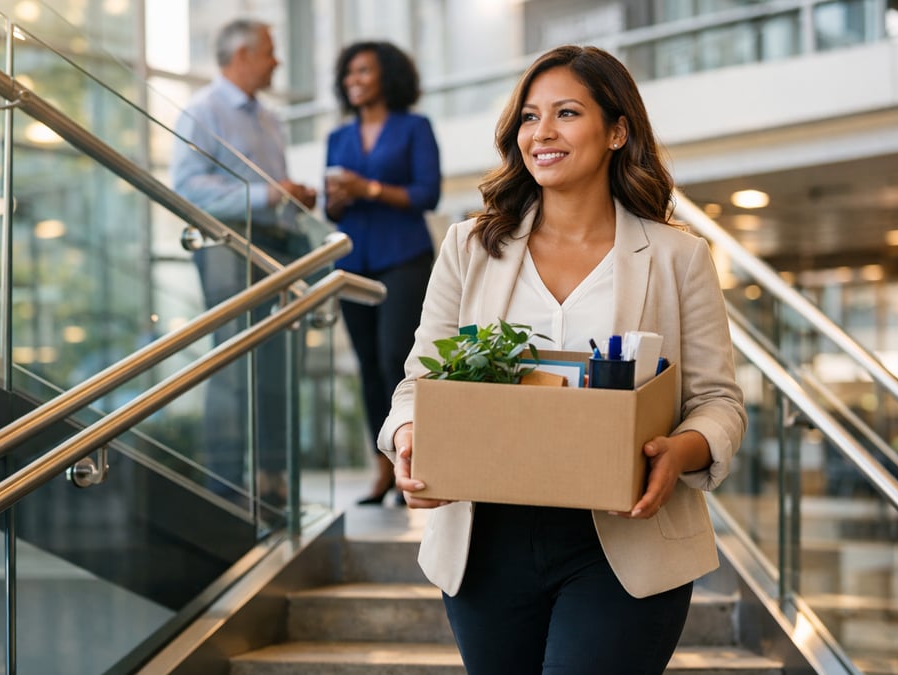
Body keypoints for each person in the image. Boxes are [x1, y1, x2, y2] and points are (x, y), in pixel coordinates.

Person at [377, 45, 747, 673]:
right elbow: (418, 383)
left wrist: (678, 453)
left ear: (617, 130)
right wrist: (410, 436)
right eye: (528, 117)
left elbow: (718, 403)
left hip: (625, 546)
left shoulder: (678, 257)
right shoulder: (470, 246)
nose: (541, 133)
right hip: (484, 545)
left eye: (567, 113)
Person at [171, 19, 317, 517]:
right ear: (241, 55)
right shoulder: (203, 111)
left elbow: (268, 189)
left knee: (277, 363)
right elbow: (187, 187)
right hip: (229, 251)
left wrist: (289, 195)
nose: (277, 61)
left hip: (276, 247)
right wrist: (265, 194)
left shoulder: (269, 119)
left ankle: (272, 477)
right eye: (270, 52)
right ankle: (226, 482)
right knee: (234, 361)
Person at [324, 41, 441, 505]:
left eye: (363, 71)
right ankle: (382, 471)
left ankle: (417, 459)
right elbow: (329, 208)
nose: (354, 79)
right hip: (352, 263)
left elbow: (426, 194)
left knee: (398, 356)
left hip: (403, 256)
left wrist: (367, 187)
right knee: (368, 366)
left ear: (387, 76)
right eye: (348, 72)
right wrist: (337, 198)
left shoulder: (415, 127)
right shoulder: (338, 137)